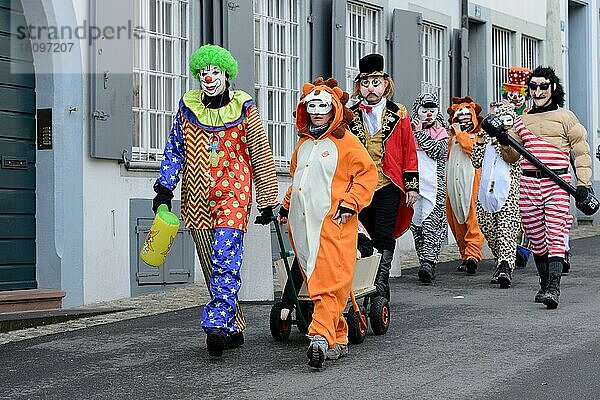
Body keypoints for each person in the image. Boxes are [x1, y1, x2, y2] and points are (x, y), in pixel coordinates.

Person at [152, 44, 278, 356]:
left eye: (215, 71)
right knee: (211, 265)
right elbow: (175, 148)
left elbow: (260, 153)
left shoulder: (244, 107)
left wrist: (267, 197)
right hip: (195, 195)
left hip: (233, 194)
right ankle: (234, 327)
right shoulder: (188, 106)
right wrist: (164, 188)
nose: (209, 77)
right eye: (203, 72)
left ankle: (217, 324)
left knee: (225, 259)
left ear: (226, 74)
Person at [278, 77, 377, 369]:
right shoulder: (304, 143)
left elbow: (366, 176)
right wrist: (285, 206)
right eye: (312, 105)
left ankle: (320, 337)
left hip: (334, 223)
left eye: (323, 105)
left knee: (327, 283)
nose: (317, 111)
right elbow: (298, 180)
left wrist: (350, 203)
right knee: (320, 280)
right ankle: (339, 336)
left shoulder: (347, 143)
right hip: (302, 226)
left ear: (334, 109)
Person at [508, 66, 593, 308]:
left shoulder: (566, 117)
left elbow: (581, 153)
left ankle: (554, 287)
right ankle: (544, 283)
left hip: (557, 184)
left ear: (553, 88)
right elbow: (511, 156)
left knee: (555, 233)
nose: (538, 91)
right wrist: (502, 139)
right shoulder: (521, 121)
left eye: (543, 86)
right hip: (528, 184)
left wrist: (584, 183)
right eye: (533, 86)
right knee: (536, 236)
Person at [348, 53, 419, 300]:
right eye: (366, 83)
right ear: (359, 86)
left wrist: (412, 186)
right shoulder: (350, 115)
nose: (371, 88)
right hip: (358, 185)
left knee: (384, 234)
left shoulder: (398, 113)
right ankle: (363, 282)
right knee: (360, 234)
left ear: (385, 84)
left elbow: (409, 150)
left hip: (389, 183)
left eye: (376, 82)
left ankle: (380, 282)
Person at [472, 103, 521, 288]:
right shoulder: (487, 139)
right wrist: (481, 143)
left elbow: (514, 158)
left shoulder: (516, 139)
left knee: (506, 230)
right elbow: (476, 162)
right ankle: (500, 260)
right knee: (488, 228)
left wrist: (501, 142)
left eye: (507, 120)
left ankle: (506, 266)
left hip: (508, 192)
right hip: (486, 192)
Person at [409, 93, 449, 284]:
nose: (428, 115)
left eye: (432, 111)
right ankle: (423, 259)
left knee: (431, 225)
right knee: (416, 225)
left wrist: (419, 134)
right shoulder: (408, 131)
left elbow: (436, 151)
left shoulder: (442, 132)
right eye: (424, 111)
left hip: (434, 185)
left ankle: (428, 262)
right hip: (413, 185)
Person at [446, 97, 485, 274]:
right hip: (454, 185)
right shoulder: (451, 138)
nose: (463, 118)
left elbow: (472, 150)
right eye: (459, 114)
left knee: (473, 219)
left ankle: (472, 255)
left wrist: (460, 134)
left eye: (467, 114)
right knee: (456, 220)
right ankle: (464, 254)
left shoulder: (478, 136)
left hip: (471, 183)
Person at [502, 67, 535, 269]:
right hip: (507, 166)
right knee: (510, 209)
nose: (514, 98)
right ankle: (508, 246)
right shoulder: (502, 112)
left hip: (526, 166)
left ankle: (522, 249)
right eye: (511, 94)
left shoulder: (531, 115)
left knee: (526, 210)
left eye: (518, 94)